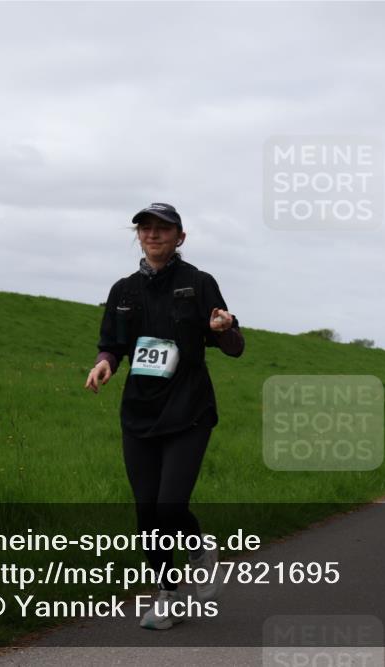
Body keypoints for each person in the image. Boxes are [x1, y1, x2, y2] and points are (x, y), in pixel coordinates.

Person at [85, 203, 245, 630]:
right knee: (146, 513)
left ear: (180, 237)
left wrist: (224, 327)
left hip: (189, 410)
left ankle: (199, 550)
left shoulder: (199, 283)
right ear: (138, 236)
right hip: (139, 413)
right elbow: (112, 345)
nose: (153, 235)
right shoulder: (124, 290)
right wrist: (105, 363)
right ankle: (167, 594)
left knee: (170, 506)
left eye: (163, 229)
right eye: (146, 229)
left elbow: (234, 345)